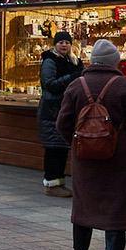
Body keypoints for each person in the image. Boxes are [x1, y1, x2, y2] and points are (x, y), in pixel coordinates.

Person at [56, 39, 126, 250]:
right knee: (116, 204)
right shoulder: (124, 86)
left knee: (84, 200)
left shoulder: (77, 85)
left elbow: (62, 123)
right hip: (116, 158)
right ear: (115, 61)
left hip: (84, 157)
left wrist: (78, 143)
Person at [38, 31, 83, 197]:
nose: (64, 45)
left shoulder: (73, 60)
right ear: (54, 44)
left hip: (64, 109)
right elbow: (49, 84)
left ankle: (58, 182)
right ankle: (51, 183)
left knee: (62, 147)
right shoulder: (50, 60)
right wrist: (72, 77)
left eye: (67, 42)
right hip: (52, 110)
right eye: (61, 42)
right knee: (53, 148)